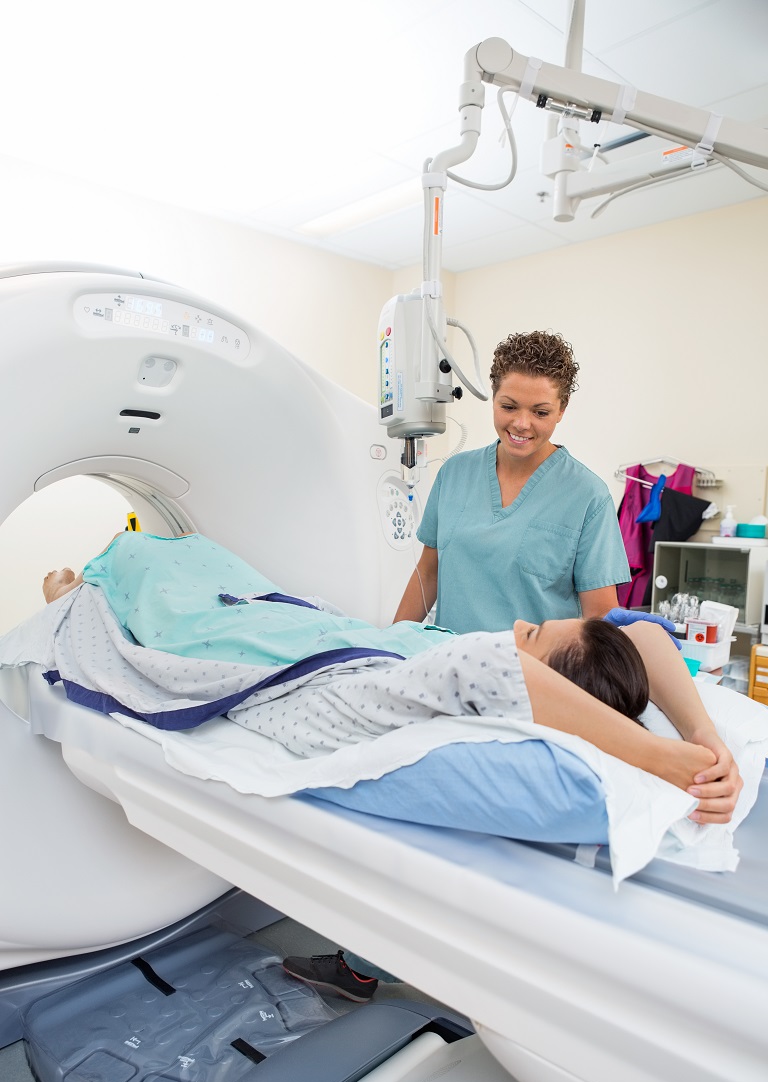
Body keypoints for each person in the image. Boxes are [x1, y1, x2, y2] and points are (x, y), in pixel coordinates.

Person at [42, 533, 742, 1000]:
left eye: (528, 635)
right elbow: (640, 631)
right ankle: (89, 585)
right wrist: (706, 740)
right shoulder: (455, 668)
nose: (512, 630)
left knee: (147, 571)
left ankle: (80, 595)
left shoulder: (440, 688)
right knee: (207, 568)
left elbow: (493, 665)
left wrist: (663, 759)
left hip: (270, 661)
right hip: (328, 633)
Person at [394, 331, 630, 633]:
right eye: (508, 407)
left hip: (529, 674)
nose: (521, 423)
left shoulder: (588, 497)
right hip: (447, 666)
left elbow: (599, 618)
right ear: (493, 399)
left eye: (540, 412)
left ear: (561, 409)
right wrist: (388, 647)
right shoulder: (454, 474)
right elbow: (428, 573)